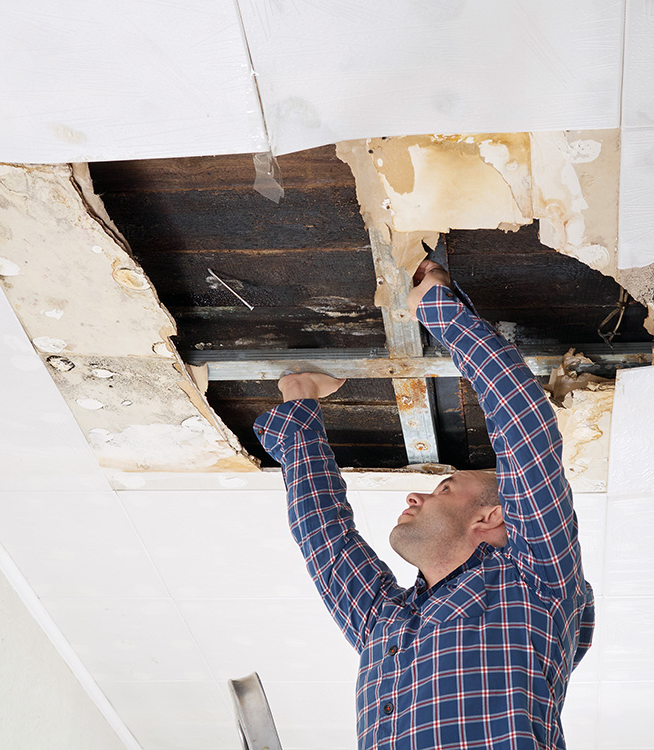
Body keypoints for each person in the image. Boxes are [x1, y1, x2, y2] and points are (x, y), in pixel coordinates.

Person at [253, 259, 595, 750]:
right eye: (445, 488)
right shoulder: (536, 581)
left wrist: (300, 400)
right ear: (491, 515)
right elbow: (524, 427)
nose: (415, 495)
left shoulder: (383, 621)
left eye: (437, 489)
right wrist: (438, 309)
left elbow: (324, 537)